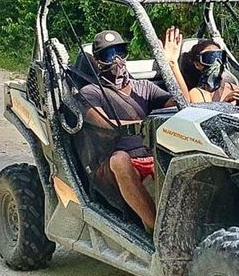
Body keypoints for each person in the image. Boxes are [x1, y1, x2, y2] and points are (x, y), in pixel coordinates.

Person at [79, 27, 189, 231]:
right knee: (120, 159)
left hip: (151, 156)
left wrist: (171, 63)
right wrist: (147, 125)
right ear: (97, 60)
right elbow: (104, 124)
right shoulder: (91, 91)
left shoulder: (144, 87)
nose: (116, 59)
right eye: (108, 54)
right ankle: (157, 230)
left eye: (120, 52)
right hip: (111, 164)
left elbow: (183, 105)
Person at [181, 40, 239, 105]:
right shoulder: (196, 93)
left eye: (221, 56)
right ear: (197, 64)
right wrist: (226, 102)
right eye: (210, 57)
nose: (217, 62)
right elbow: (204, 118)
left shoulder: (232, 87)